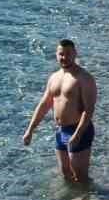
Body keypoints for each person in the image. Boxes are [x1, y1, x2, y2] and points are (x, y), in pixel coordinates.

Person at [22, 39, 99, 182]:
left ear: (75, 54)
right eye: (61, 54)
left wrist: (77, 135)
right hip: (61, 130)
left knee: (80, 176)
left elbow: (89, 110)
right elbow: (44, 104)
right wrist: (30, 130)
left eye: (68, 54)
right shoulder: (54, 77)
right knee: (65, 173)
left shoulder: (84, 78)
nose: (64, 57)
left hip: (79, 130)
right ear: (56, 55)